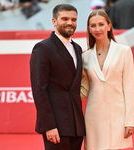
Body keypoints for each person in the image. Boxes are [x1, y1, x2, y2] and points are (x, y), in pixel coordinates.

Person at [30, 4, 85, 150]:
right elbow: (39, 90)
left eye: (73, 19)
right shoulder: (43, 48)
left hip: (76, 124)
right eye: (65, 18)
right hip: (56, 124)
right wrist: (49, 126)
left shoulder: (78, 49)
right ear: (54, 21)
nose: (70, 23)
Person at [81, 9, 134, 150]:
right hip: (93, 116)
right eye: (93, 26)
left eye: (101, 24)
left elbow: (129, 88)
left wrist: (130, 121)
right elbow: (85, 90)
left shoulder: (124, 51)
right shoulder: (85, 57)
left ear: (109, 26)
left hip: (118, 115)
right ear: (89, 28)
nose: (97, 29)